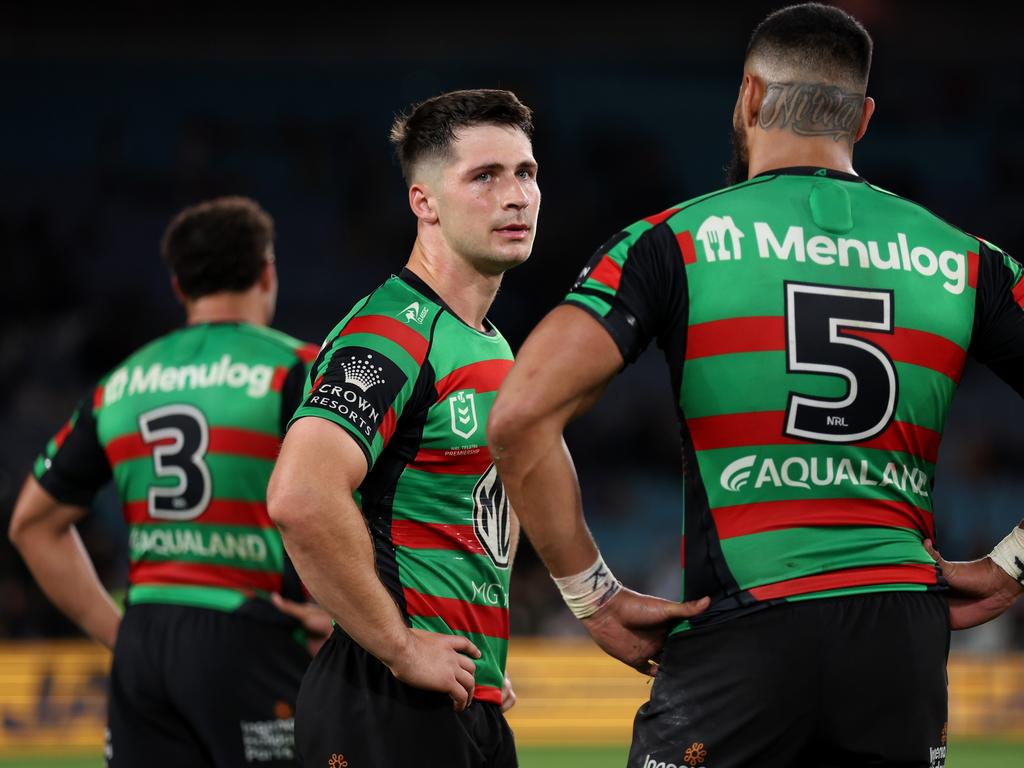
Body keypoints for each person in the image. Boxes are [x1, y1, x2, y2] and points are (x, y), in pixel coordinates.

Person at [488, 4, 1024, 767]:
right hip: (902, 644)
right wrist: (1012, 564)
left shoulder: (672, 241)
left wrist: (594, 597)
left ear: (747, 97)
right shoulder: (966, 259)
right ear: (863, 119)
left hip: (745, 628)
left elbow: (518, 415)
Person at [267, 88, 539, 768]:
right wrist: (400, 644)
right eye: (485, 176)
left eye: (526, 172)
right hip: (382, 702)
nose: (517, 195)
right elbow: (300, 497)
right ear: (423, 202)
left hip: (458, 699)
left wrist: (474, 651)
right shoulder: (391, 334)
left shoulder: (489, 344)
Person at [9, 196, 324, 768]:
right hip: (253, 632)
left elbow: (32, 524)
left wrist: (120, 633)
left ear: (179, 286)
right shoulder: (302, 369)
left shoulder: (121, 384)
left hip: (147, 634)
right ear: (266, 272)